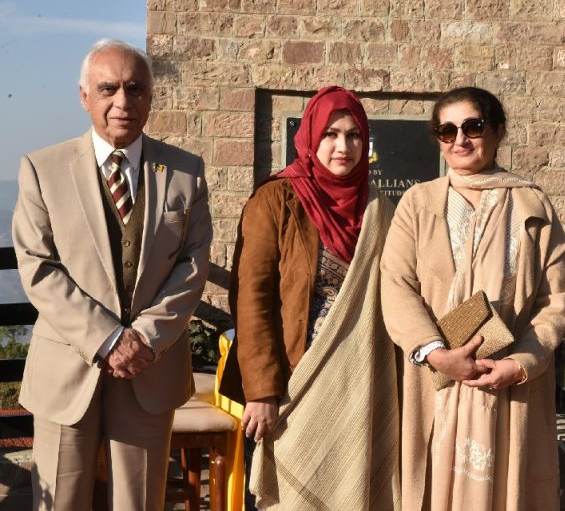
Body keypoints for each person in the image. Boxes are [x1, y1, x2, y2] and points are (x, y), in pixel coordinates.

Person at [12, 38, 212, 510]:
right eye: (108, 89)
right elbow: (38, 265)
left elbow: (193, 263)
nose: (123, 101)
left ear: (150, 97)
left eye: (135, 88)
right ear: (84, 96)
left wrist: (144, 339)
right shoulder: (43, 169)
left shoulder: (186, 171)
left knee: (139, 503)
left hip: (150, 366)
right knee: (60, 501)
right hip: (66, 370)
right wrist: (107, 339)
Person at [380, 86, 565, 511]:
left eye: (473, 126)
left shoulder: (532, 204)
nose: (460, 140)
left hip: (511, 384)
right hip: (436, 379)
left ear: (498, 131)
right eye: (447, 131)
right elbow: (396, 284)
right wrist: (436, 354)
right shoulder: (418, 203)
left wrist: (520, 364)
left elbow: (556, 298)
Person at [222, 85, 400, 510]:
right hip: (293, 380)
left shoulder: (379, 208)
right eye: (330, 135)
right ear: (310, 138)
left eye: (354, 135)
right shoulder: (276, 199)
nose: (343, 147)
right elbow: (252, 299)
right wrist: (262, 391)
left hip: (360, 382)